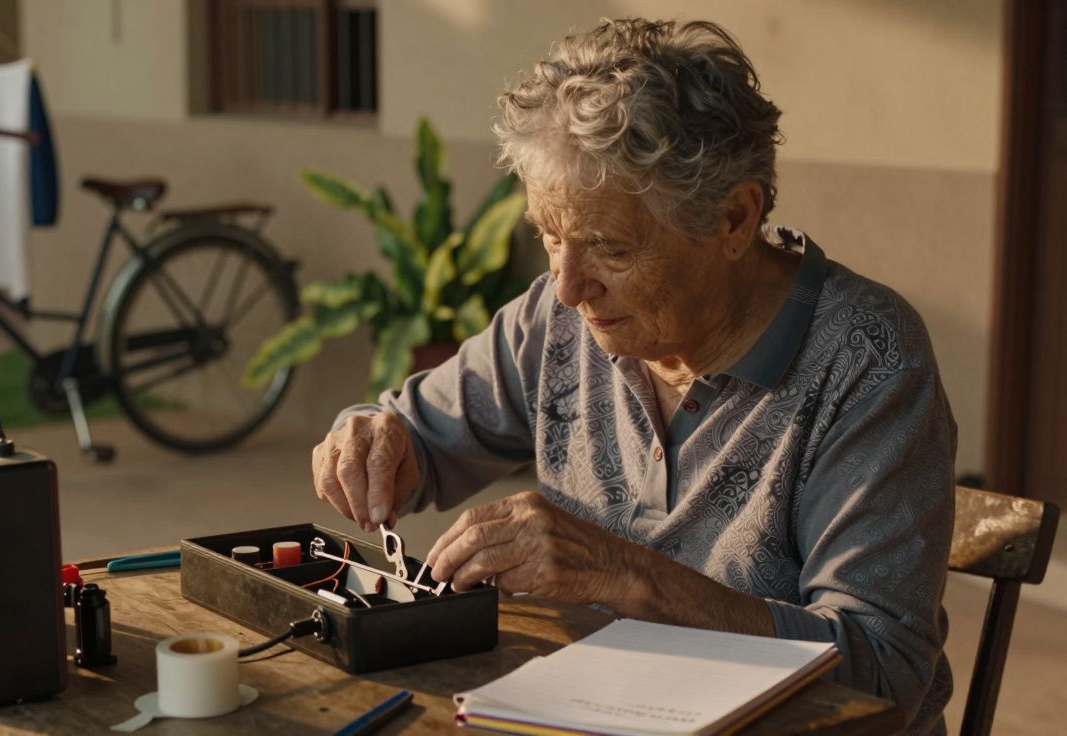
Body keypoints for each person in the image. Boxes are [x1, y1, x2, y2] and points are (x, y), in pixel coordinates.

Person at [311, 18, 954, 734]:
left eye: (608, 249)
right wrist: (374, 440)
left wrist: (627, 576)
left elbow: (884, 672)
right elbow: (416, 439)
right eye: (548, 237)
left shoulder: (866, 357)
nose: (567, 287)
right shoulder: (560, 322)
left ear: (734, 219)